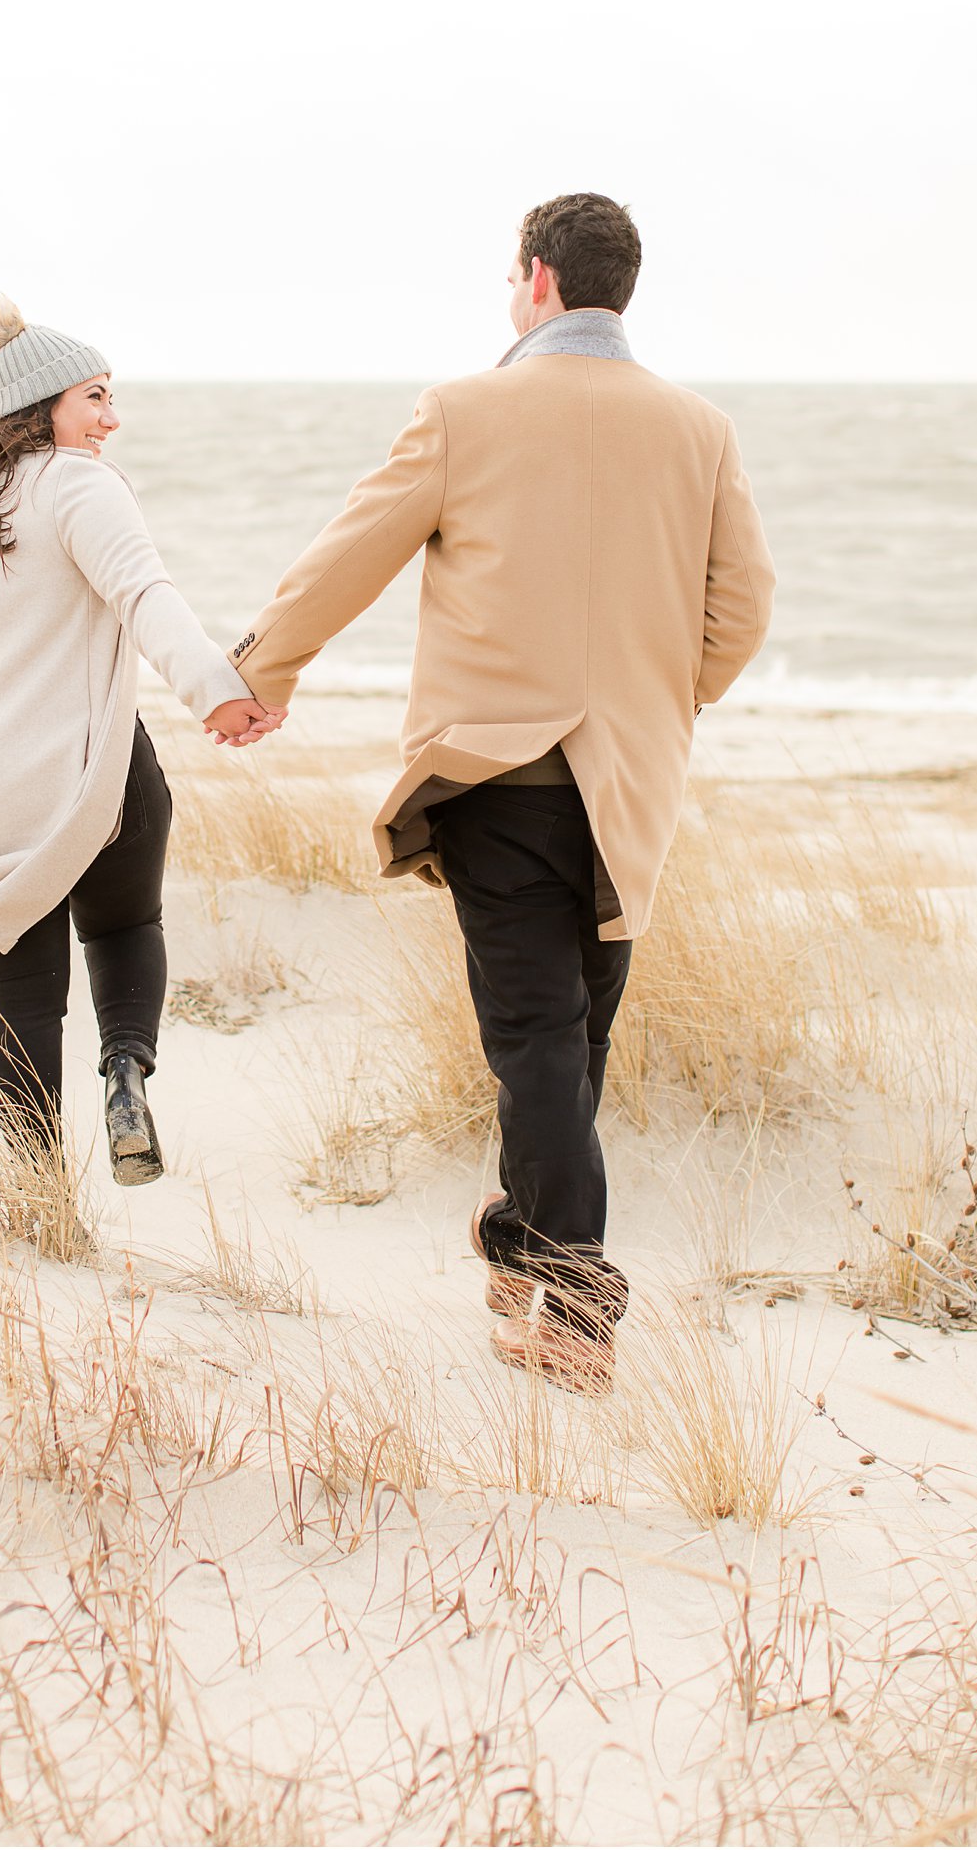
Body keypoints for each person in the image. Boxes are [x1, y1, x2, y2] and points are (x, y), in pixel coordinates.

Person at [229, 194, 774, 1393]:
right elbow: (738, 617)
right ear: (618, 288)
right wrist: (656, 701)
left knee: (538, 1043)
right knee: (575, 1037)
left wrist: (261, 671)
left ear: (534, 280)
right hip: (626, 783)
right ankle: (517, 1237)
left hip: (495, 776)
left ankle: (573, 1307)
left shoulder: (463, 410)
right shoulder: (699, 429)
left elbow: (350, 552)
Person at [0, 293, 283, 1184]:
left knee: (22, 999)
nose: (113, 419)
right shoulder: (79, 484)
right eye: (96, 399)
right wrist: (217, 694)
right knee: (126, 923)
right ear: (43, 409)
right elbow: (146, 594)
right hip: (90, 784)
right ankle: (124, 1073)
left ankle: (41, 1197)